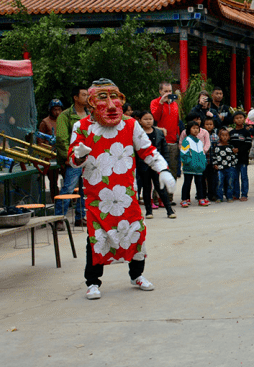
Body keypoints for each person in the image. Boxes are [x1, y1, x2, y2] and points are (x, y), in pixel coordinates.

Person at [68, 79, 175, 300]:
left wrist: (163, 168)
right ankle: (93, 282)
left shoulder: (130, 125)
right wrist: (79, 155)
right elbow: (72, 160)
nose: (110, 104)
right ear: (90, 102)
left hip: (126, 195)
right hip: (97, 197)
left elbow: (146, 149)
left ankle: (137, 275)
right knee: (96, 238)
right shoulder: (82, 127)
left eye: (114, 96)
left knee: (136, 234)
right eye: (102, 97)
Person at [55, 85, 89, 226]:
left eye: (88, 95)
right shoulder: (65, 115)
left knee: (85, 188)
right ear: (75, 97)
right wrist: (68, 158)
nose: (87, 97)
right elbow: (62, 140)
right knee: (68, 188)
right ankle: (58, 219)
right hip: (74, 158)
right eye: (84, 95)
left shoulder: (90, 114)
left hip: (89, 158)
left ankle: (80, 217)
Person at [136, 111, 175, 219]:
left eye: (150, 119)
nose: (148, 121)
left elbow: (164, 149)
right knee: (146, 188)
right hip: (143, 165)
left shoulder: (159, 132)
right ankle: (149, 211)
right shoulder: (138, 134)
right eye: (145, 119)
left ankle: (169, 210)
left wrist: (165, 164)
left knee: (160, 187)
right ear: (140, 121)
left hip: (157, 165)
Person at [149, 82, 181, 185]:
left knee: (173, 169)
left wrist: (178, 139)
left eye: (170, 91)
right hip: (160, 141)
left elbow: (177, 123)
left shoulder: (175, 104)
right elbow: (155, 118)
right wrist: (161, 103)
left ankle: (169, 198)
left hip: (173, 141)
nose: (168, 93)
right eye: (165, 91)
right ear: (160, 91)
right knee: (160, 169)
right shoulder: (155, 102)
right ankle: (158, 198)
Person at [227, 112, 254, 201]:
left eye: (241, 117)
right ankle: (236, 194)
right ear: (234, 120)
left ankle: (244, 194)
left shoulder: (246, 132)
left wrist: (238, 149)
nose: (239, 119)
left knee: (244, 177)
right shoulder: (231, 133)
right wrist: (232, 150)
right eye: (237, 118)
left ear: (244, 119)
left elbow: (248, 145)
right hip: (233, 159)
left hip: (243, 158)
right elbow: (228, 144)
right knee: (234, 177)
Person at [179, 122, 208, 207]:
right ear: (189, 129)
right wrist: (189, 162)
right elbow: (184, 153)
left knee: (199, 183)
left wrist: (203, 163)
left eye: (197, 128)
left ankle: (201, 198)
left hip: (198, 168)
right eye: (193, 128)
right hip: (189, 167)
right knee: (187, 183)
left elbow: (202, 153)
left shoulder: (199, 142)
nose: (195, 130)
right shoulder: (186, 140)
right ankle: (184, 199)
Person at [39, 99, 64, 198]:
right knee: (53, 181)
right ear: (50, 110)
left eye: (59, 109)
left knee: (68, 179)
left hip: (63, 154)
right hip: (50, 156)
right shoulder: (45, 122)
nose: (57, 112)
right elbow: (40, 141)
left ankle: (70, 200)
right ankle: (56, 201)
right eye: (55, 109)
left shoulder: (64, 120)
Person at [209, 128, 238, 202]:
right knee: (219, 183)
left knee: (230, 183)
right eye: (222, 135)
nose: (224, 137)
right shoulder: (217, 147)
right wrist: (215, 164)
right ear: (219, 136)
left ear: (229, 137)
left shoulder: (230, 147)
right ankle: (219, 197)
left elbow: (234, 157)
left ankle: (229, 197)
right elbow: (214, 157)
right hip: (220, 168)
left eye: (226, 135)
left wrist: (233, 165)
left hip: (230, 167)